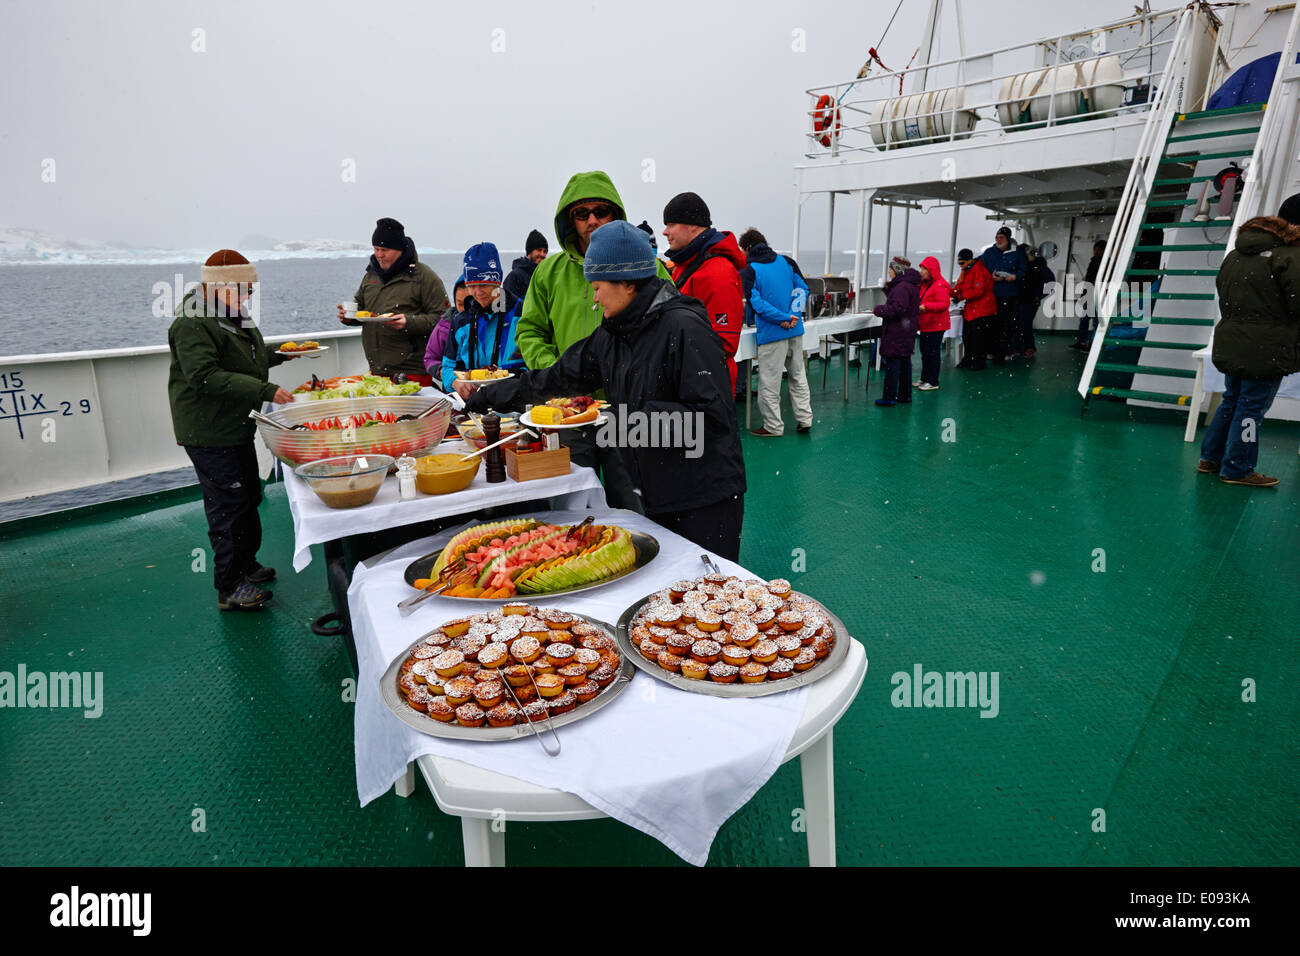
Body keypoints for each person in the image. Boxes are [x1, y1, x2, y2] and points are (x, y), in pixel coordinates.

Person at [456, 221, 746, 559]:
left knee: (708, 596)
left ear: (626, 283)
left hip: (704, 499)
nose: (593, 298)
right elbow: (557, 378)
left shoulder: (684, 328)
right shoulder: (613, 334)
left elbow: (707, 421)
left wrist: (615, 420)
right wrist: (488, 396)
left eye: (597, 287)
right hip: (655, 494)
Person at [515, 170, 671, 512]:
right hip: (567, 413)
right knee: (570, 510)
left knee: (637, 508)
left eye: (601, 211)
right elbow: (529, 331)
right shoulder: (548, 272)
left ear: (616, 215)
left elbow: (668, 332)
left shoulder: (649, 268)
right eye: (581, 214)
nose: (592, 220)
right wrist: (557, 373)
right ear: (570, 222)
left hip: (628, 413)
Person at [167, 249, 297, 611]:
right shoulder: (192, 322)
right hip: (209, 431)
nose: (247, 298)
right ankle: (228, 586)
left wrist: (279, 354)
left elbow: (240, 357)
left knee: (249, 496)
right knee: (228, 506)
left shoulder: (226, 314)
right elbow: (203, 375)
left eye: (250, 291)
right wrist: (264, 390)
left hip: (233, 424)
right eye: (243, 290)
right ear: (219, 286)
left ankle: (246, 564)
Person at [1197, 195, 1300, 487]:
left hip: (1234, 340)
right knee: (1251, 409)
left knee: (1231, 400)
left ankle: (1210, 458)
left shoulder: (1236, 253)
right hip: (1266, 346)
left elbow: (1224, 291)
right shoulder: (1289, 256)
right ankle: (1238, 467)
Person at [337, 217, 448, 384]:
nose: (379, 255)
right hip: (377, 372)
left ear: (400, 249)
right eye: (376, 249)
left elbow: (444, 319)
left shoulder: (424, 277)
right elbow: (362, 309)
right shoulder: (371, 276)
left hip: (412, 373)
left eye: (385, 250)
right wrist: (348, 317)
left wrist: (408, 323)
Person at [662, 191, 746, 395]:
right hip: (688, 382)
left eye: (671, 224)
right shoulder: (688, 264)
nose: (665, 232)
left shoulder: (717, 272)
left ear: (692, 225)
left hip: (706, 388)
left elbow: (723, 344)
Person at [737, 227, 813, 436]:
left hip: (772, 334)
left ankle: (773, 426)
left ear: (748, 248)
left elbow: (756, 302)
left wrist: (782, 318)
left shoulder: (750, 270)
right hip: (795, 330)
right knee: (798, 376)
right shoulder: (787, 262)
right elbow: (803, 288)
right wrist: (793, 314)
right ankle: (805, 419)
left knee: (769, 383)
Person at [441, 242, 525, 392]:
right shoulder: (461, 321)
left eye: (483, 285)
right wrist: (455, 383)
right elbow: (447, 367)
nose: (478, 292)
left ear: (497, 282)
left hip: (515, 402)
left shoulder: (522, 313)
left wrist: (520, 379)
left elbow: (537, 362)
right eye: (472, 286)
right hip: (474, 404)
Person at [872, 256, 921, 406]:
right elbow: (901, 303)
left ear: (897, 270)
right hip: (907, 329)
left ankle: (889, 397)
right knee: (905, 362)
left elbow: (897, 308)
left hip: (897, 330)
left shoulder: (901, 287)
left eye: (891, 269)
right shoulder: (909, 284)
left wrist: (878, 309)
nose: (889, 271)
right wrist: (888, 290)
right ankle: (905, 395)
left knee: (893, 362)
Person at [979, 225, 1027, 362]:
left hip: (1010, 295)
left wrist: (1015, 277)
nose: (998, 240)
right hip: (992, 295)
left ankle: (1006, 351)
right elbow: (979, 266)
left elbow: (1024, 270)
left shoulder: (1017, 253)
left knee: (1007, 325)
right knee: (992, 324)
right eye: (997, 237)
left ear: (1008, 239)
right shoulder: (989, 252)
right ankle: (991, 351)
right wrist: (990, 277)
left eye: (1001, 238)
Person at [951, 248, 997, 370]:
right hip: (972, 309)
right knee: (967, 336)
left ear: (970, 260)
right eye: (959, 263)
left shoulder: (979, 270)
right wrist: (951, 293)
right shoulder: (966, 270)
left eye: (962, 263)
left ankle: (978, 362)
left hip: (982, 309)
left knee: (978, 338)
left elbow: (978, 290)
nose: (960, 266)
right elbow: (960, 286)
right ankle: (968, 359)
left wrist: (960, 296)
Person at [915, 256, 951, 390]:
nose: (921, 271)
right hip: (926, 324)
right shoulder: (924, 284)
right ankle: (925, 378)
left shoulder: (939, 285)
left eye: (924, 268)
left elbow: (943, 304)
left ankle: (933, 381)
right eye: (921, 268)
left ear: (931, 270)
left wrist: (926, 306)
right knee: (925, 352)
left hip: (936, 325)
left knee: (932, 353)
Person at [424, 274, 469, 380]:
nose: (464, 309)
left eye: (470, 303)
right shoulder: (445, 326)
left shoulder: (492, 324)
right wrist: (442, 372)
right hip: (453, 390)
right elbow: (430, 358)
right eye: (460, 304)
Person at [1016, 244, 1054, 357]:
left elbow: (1051, 283)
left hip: (1030, 300)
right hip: (1019, 298)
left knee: (1025, 324)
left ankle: (1029, 347)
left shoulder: (1039, 265)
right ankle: (1020, 347)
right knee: (1018, 324)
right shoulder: (1021, 264)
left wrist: (1040, 295)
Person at [1071, 240, 1106, 350]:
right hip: (1090, 294)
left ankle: (1092, 343)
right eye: (1095, 249)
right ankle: (1083, 342)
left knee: (1095, 320)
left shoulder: (1104, 262)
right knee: (1085, 320)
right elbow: (1089, 280)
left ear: (1103, 250)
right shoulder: (1094, 261)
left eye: (1098, 249)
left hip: (1097, 295)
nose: (1096, 251)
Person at [503, 229, 548, 303]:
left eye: (545, 251)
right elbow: (505, 305)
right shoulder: (514, 276)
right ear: (530, 251)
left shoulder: (545, 276)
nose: (542, 254)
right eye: (539, 250)